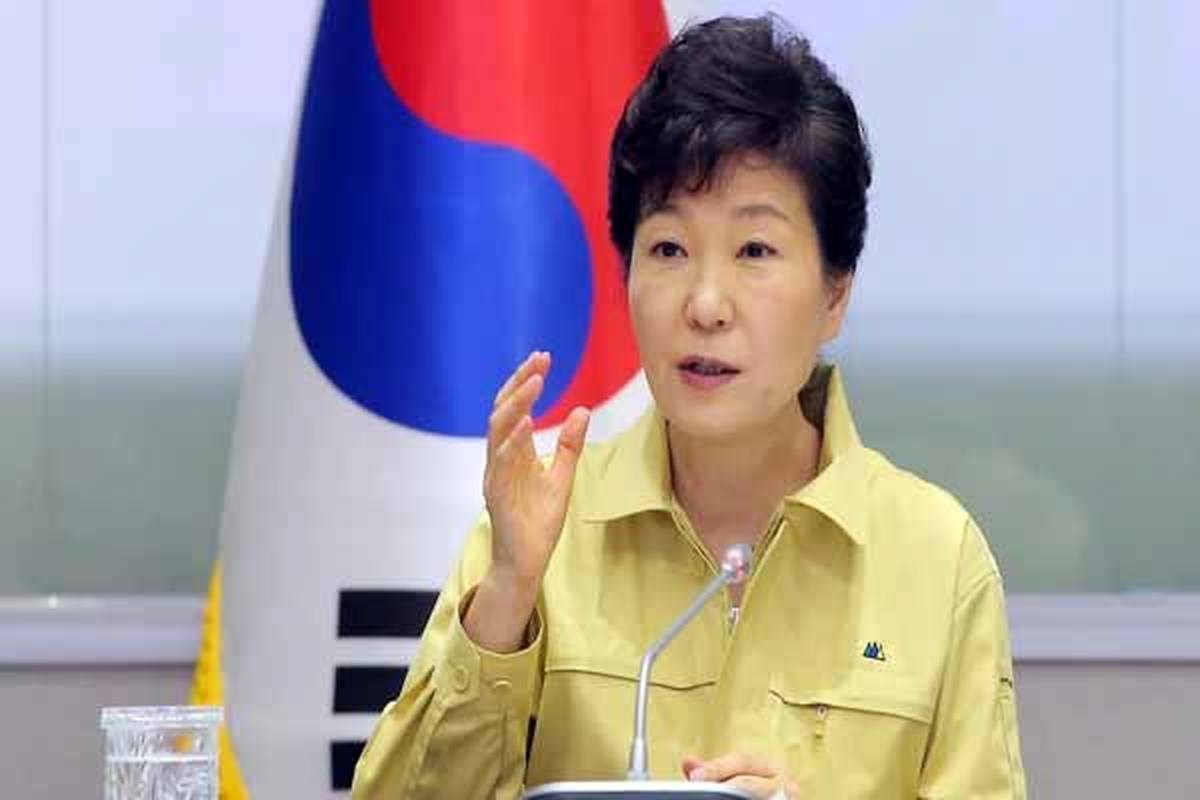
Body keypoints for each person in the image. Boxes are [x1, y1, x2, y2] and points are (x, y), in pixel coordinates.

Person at [351, 14, 1027, 800]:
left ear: (835, 294)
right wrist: (506, 598)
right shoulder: (543, 531)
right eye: (668, 249)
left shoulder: (936, 560)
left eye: (755, 251)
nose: (705, 305)